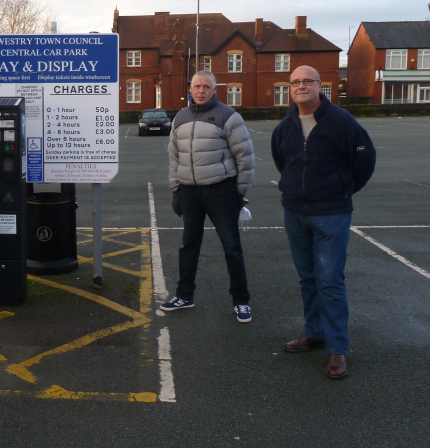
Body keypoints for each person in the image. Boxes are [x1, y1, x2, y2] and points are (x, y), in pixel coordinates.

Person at [272, 65, 376, 379]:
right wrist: (294, 186)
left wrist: (342, 187)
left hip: (332, 214)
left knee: (329, 280)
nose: (301, 86)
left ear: (320, 86)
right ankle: (313, 332)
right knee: (307, 277)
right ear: (290, 89)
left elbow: (364, 154)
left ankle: (336, 349)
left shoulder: (343, 123)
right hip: (295, 213)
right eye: (295, 82)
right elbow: (282, 160)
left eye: (308, 81)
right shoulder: (284, 128)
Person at [161, 70, 256, 323]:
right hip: (190, 192)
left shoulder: (229, 116)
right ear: (190, 90)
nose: (201, 91)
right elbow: (174, 158)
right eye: (197, 86)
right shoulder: (180, 117)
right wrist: (175, 190)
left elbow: (245, 157)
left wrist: (239, 193)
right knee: (189, 246)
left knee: (232, 248)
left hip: (220, 191)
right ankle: (184, 295)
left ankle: (241, 301)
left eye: (206, 86)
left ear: (215, 90)